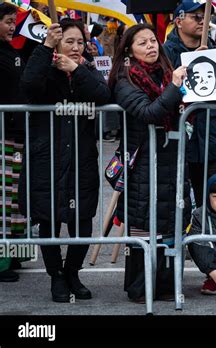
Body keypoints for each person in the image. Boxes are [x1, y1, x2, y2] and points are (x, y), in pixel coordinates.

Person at [19, 19, 110, 302]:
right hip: (47, 156)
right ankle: (56, 275)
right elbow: (29, 83)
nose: (75, 47)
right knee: (49, 217)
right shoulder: (44, 65)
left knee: (82, 218)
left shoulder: (87, 69)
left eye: (79, 42)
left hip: (81, 157)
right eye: (68, 41)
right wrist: (46, 48)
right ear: (57, 42)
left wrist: (77, 70)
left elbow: (103, 94)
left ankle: (73, 271)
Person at [109, 23, 192, 303]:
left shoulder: (166, 73)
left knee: (170, 220)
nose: (151, 46)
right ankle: (140, 287)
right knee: (144, 223)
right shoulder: (125, 79)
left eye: (153, 41)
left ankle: (167, 286)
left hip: (171, 157)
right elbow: (149, 113)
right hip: (143, 160)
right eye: (142, 43)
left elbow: (189, 107)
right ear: (129, 50)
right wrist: (175, 87)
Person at [163, 0, 216, 208]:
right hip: (177, 139)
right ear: (179, 21)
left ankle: (206, 238)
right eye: (196, 17)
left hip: (208, 138)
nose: (202, 21)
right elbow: (161, 90)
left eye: (205, 17)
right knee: (177, 199)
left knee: (212, 196)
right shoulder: (166, 52)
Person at [0, 2, 28, 283]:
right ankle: (1, 261)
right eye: (8, 21)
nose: (12, 27)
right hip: (2, 135)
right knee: (2, 201)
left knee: (16, 199)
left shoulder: (13, 50)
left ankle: (15, 253)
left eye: (13, 21)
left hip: (17, 133)